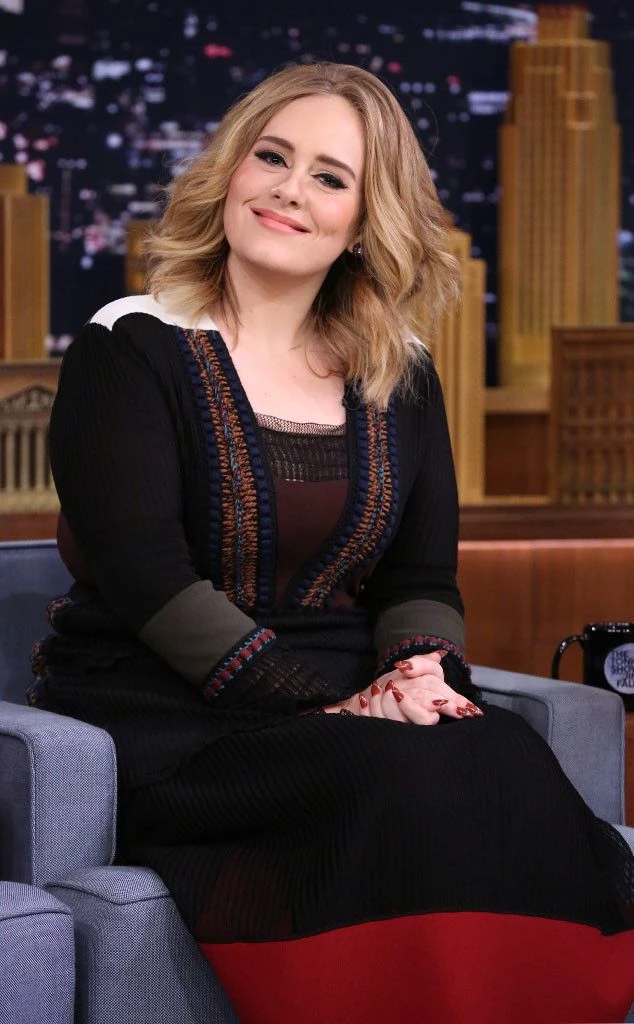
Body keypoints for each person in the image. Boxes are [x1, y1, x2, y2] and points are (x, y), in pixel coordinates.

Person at [31, 61, 634, 1023]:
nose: (288, 190)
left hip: (352, 694)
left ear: (363, 221)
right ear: (230, 170)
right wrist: (326, 706)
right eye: (271, 157)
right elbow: (144, 574)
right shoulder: (131, 342)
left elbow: (421, 574)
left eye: (329, 177)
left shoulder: (403, 372)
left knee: (501, 753)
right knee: (392, 770)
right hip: (169, 707)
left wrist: (419, 675)